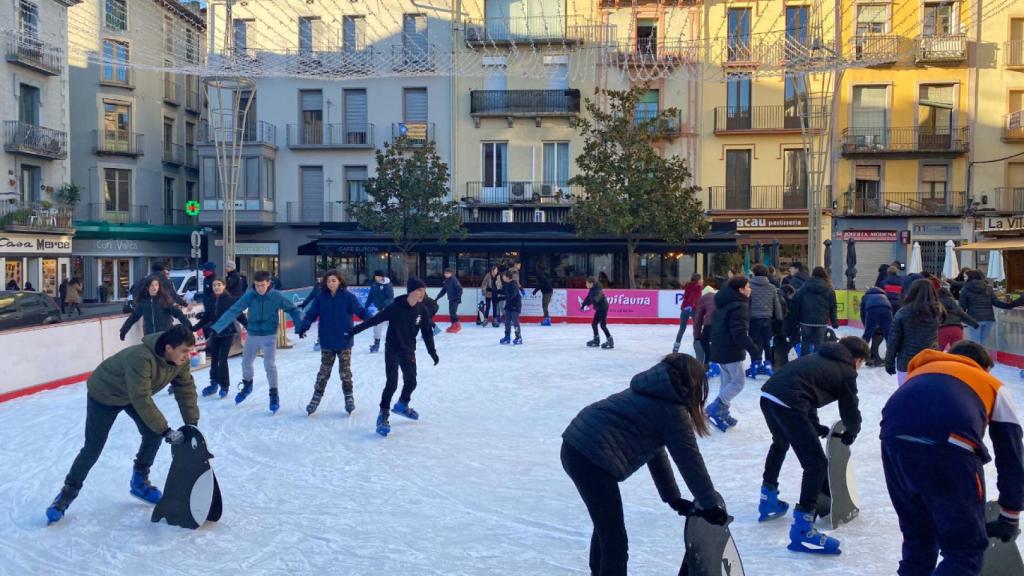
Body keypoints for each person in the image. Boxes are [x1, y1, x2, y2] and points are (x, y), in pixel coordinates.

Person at [560, 353, 729, 575]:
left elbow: (656, 452)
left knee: (606, 529)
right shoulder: (671, 410)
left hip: (577, 447)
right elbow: (690, 462)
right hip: (590, 458)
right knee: (615, 542)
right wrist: (709, 506)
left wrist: (674, 498)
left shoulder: (653, 394)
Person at [880, 341, 1022, 575]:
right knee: (964, 552)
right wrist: (1010, 514)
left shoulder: (922, 372)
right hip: (949, 452)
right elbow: (1011, 453)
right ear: (984, 367)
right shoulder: (990, 383)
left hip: (893, 445)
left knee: (918, 542)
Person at [45, 325, 199, 524]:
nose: (188, 355)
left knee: (152, 434)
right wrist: (166, 430)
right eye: (184, 351)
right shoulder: (141, 358)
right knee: (93, 447)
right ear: (169, 347)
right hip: (105, 394)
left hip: (130, 394)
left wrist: (192, 423)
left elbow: (185, 387)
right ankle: (65, 496)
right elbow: (142, 398)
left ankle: (139, 482)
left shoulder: (179, 361)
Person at [757, 336, 867, 555]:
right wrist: (853, 431)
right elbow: (849, 407)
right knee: (816, 464)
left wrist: (814, 426)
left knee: (780, 443)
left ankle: (767, 499)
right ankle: (803, 528)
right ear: (857, 359)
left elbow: (807, 391)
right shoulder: (846, 370)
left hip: (769, 395)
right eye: (862, 363)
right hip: (789, 403)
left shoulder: (820, 356)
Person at [351, 277, 439, 437]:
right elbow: (374, 321)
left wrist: (432, 352)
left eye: (423, 290)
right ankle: (383, 415)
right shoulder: (395, 308)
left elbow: (427, 333)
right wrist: (352, 332)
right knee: (392, 383)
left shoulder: (422, 310)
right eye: (419, 290)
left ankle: (402, 405)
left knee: (412, 382)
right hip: (392, 349)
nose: (422, 293)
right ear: (411, 291)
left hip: (408, 350)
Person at [209, 270, 303, 412]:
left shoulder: (276, 296)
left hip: (269, 334)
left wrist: (299, 327)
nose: (259, 288)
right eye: (257, 285)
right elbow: (233, 310)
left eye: (262, 285)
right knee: (246, 363)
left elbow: (293, 310)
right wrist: (217, 327)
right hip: (253, 333)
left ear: (268, 283)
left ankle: (273, 394)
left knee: (269, 365)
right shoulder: (250, 296)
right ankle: (248, 385)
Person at [297, 271, 370, 416]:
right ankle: (316, 398)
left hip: (344, 340)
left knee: (345, 373)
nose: (331, 283)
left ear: (339, 281)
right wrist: (303, 326)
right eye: (329, 281)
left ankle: (349, 398)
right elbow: (311, 314)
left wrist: (373, 319)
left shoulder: (348, 297)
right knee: (323, 373)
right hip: (327, 340)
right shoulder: (320, 298)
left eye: (334, 280)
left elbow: (360, 311)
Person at [706, 275, 761, 431]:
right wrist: (754, 350)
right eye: (748, 287)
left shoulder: (724, 302)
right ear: (741, 290)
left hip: (719, 348)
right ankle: (716, 408)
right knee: (737, 382)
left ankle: (722, 411)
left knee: (727, 382)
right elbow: (739, 333)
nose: (750, 289)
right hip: (731, 350)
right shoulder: (739, 306)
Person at [193, 277, 246, 399]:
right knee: (214, 359)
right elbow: (206, 318)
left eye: (219, 285)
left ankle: (224, 385)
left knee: (222, 359)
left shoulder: (230, 300)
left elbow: (240, 316)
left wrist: (250, 327)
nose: (216, 287)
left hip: (228, 333)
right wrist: (193, 328)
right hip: (215, 333)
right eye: (214, 285)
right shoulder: (210, 300)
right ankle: (214, 383)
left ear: (224, 286)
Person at [885, 278, 945, 386]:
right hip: (931, 359)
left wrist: (889, 361)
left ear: (912, 291)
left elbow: (894, 339)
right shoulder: (938, 311)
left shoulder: (903, 313)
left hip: (907, 362)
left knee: (907, 395)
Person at [119, 276, 193, 341]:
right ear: (147, 287)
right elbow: (133, 317)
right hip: (149, 336)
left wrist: (188, 325)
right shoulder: (143, 302)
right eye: (152, 285)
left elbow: (177, 313)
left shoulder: (164, 300)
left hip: (164, 334)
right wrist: (123, 331)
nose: (154, 287)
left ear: (159, 286)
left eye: (156, 285)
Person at [959, 269, 1017, 347]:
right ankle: (983, 358)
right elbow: (996, 303)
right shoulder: (988, 288)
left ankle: (977, 359)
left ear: (970, 277)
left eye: (965, 277)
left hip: (974, 320)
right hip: (989, 319)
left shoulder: (965, 289)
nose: (964, 279)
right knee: (983, 344)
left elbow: (962, 307)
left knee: (975, 345)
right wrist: (1011, 305)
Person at [793, 267, 839, 357]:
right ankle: (817, 362)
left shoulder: (805, 286)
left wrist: (795, 319)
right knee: (819, 343)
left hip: (805, 320)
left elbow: (797, 302)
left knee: (805, 342)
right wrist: (834, 322)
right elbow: (833, 306)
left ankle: (804, 363)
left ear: (813, 274)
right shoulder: (829, 288)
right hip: (821, 321)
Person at [748, 265, 782, 376]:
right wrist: (779, 318)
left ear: (755, 273)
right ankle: (768, 364)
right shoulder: (772, 287)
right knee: (767, 342)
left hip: (753, 319)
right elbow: (776, 304)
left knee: (755, 342)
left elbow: (746, 303)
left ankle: (755, 363)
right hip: (767, 319)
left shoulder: (749, 286)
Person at [860, 284, 893, 367]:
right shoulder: (884, 296)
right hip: (887, 310)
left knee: (867, 335)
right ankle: (890, 358)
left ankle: (859, 355)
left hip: (872, 310)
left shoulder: (866, 296)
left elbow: (863, 313)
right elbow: (890, 309)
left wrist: (866, 326)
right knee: (888, 336)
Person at [938, 284, 979, 351]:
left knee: (938, 352)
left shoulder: (935, 304)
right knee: (958, 351)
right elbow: (963, 315)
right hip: (956, 329)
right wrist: (974, 324)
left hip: (942, 329)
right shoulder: (953, 303)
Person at [364, 270, 395, 353]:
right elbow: (370, 296)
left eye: (378, 276)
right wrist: (366, 306)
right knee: (377, 325)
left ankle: (397, 343)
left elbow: (390, 298)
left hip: (388, 309)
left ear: (382, 277)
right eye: (375, 276)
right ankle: (376, 344)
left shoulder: (387, 286)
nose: (376, 278)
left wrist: (383, 306)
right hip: (379, 309)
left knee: (394, 326)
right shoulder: (374, 284)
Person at [673, 273, 703, 353]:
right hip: (693, 309)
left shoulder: (688, 286)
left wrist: (685, 307)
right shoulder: (698, 287)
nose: (702, 280)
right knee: (696, 329)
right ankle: (697, 347)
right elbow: (696, 298)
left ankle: (675, 348)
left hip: (685, 309)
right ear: (698, 280)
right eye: (701, 279)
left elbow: (686, 297)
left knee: (682, 329)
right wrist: (692, 306)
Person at [693, 278, 718, 371]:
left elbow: (698, 319)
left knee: (704, 341)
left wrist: (696, 336)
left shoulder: (703, 298)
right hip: (722, 323)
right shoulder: (718, 296)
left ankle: (709, 364)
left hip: (710, 324)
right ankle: (711, 363)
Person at [582, 277, 612, 349]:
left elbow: (596, 298)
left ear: (591, 283)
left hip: (603, 308)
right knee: (594, 324)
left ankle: (610, 340)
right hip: (599, 308)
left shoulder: (598, 289)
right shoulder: (592, 289)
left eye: (587, 283)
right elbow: (588, 297)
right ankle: (596, 340)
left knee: (603, 325)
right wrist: (583, 304)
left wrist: (590, 302)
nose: (586, 285)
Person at [498, 269, 522, 345]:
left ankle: (518, 337)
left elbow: (512, 295)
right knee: (507, 322)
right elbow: (502, 291)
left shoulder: (514, 284)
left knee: (515, 322)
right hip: (508, 306)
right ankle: (507, 337)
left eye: (504, 276)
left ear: (508, 277)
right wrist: (493, 291)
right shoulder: (506, 284)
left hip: (515, 306)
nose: (503, 277)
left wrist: (504, 297)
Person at [436, 268, 463, 333]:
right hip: (451, 299)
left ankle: (458, 326)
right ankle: (453, 325)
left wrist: (458, 298)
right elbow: (443, 291)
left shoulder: (454, 280)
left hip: (455, 299)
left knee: (453, 312)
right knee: (451, 312)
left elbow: (460, 289)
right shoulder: (446, 281)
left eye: (447, 273)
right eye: (445, 273)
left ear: (451, 273)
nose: (446, 274)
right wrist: (437, 298)